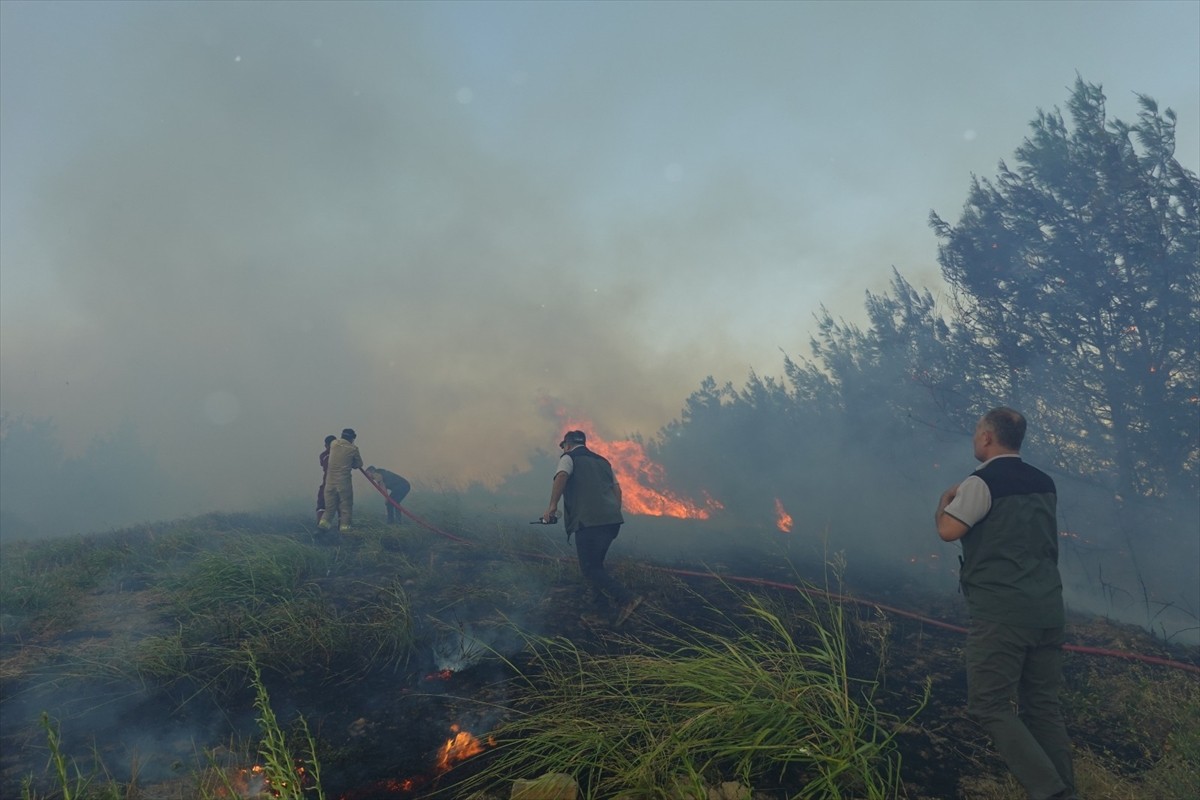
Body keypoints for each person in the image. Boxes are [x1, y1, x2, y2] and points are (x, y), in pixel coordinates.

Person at [935, 407, 1077, 800]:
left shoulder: (981, 483)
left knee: (988, 704)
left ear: (987, 437)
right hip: (1048, 610)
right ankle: (1067, 790)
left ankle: (1052, 792)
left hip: (1003, 615)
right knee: (1042, 707)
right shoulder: (1044, 482)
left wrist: (944, 501)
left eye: (977, 432)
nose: (974, 439)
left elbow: (949, 530)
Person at [541, 430, 642, 627]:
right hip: (611, 522)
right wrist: (612, 510)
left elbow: (561, 476)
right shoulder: (603, 462)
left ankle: (627, 598)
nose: (563, 449)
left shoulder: (568, 458)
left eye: (563, 446)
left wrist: (552, 506)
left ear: (567, 445)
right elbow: (617, 489)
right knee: (596, 566)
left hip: (589, 523)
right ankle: (601, 612)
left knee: (589, 569)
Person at [319, 428, 362, 532]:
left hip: (330, 484)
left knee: (329, 509)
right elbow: (358, 464)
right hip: (344, 484)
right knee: (346, 509)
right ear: (352, 438)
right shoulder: (353, 449)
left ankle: (321, 530)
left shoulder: (333, 444)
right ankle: (345, 533)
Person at [316, 434, 336, 525]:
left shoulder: (324, 455)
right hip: (342, 483)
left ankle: (321, 526)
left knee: (322, 502)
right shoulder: (344, 455)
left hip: (329, 482)